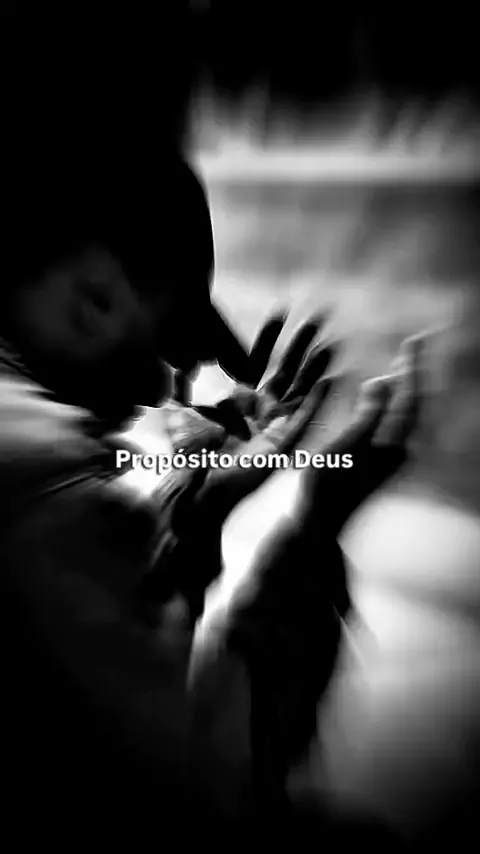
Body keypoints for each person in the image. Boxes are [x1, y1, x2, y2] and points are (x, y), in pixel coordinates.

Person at [0, 142, 420, 845]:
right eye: (164, 343)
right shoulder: (49, 492)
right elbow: (203, 797)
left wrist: (197, 511)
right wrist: (316, 528)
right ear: (90, 298)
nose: (161, 383)